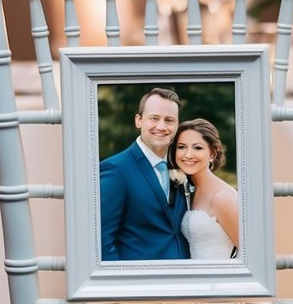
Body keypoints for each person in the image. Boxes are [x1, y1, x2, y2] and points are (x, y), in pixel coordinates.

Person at [99, 87, 190, 261]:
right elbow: (103, 242)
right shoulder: (116, 170)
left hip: (183, 281)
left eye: (169, 120)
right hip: (138, 284)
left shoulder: (182, 166)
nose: (161, 126)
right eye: (154, 118)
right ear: (139, 120)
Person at [169, 118, 239, 260]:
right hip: (195, 280)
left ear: (213, 153)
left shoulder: (223, 197)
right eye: (181, 147)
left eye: (197, 148)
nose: (188, 155)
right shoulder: (189, 191)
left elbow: (250, 254)